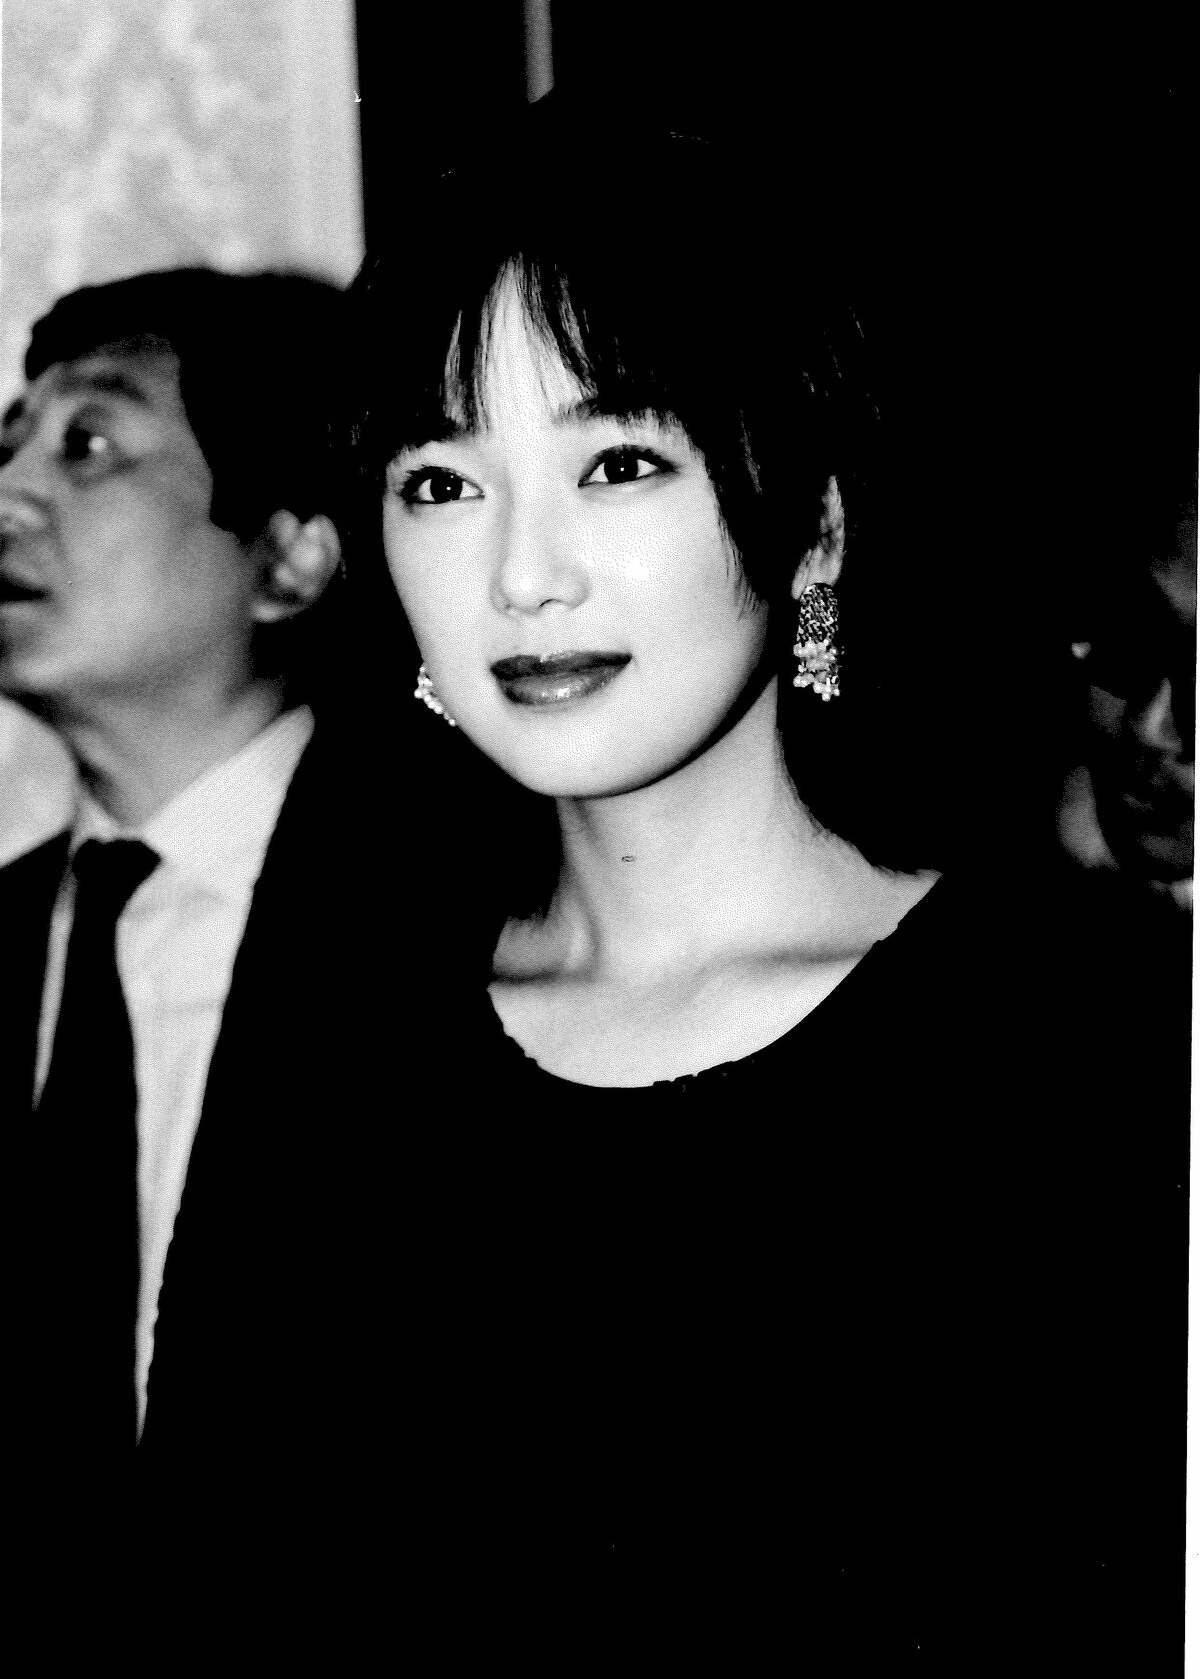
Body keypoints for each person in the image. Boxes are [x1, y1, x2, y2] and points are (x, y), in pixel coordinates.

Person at [347, 103, 1184, 1661]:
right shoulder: (353, 1058)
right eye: (442, 482)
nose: (523, 575)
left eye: (617, 462)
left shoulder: (1096, 1048)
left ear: (813, 527)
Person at [0, 267, 405, 1632]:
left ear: (289, 560)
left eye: (90, 445)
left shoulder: (455, 929)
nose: (9, 495)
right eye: (11, 443)